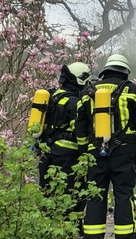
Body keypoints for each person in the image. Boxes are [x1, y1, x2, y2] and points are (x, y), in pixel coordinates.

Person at [75, 54, 136, 239]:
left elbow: (80, 127)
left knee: (95, 196)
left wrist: (84, 154)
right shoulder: (133, 92)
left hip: (94, 153)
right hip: (124, 152)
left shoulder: (87, 93)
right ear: (125, 72)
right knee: (124, 195)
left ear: (105, 71)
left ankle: (93, 236)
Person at [36, 62, 91, 231]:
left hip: (45, 153)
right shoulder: (75, 102)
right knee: (72, 190)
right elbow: (80, 130)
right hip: (67, 155)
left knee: (47, 190)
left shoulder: (51, 97)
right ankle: (72, 226)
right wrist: (86, 151)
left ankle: (46, 227)